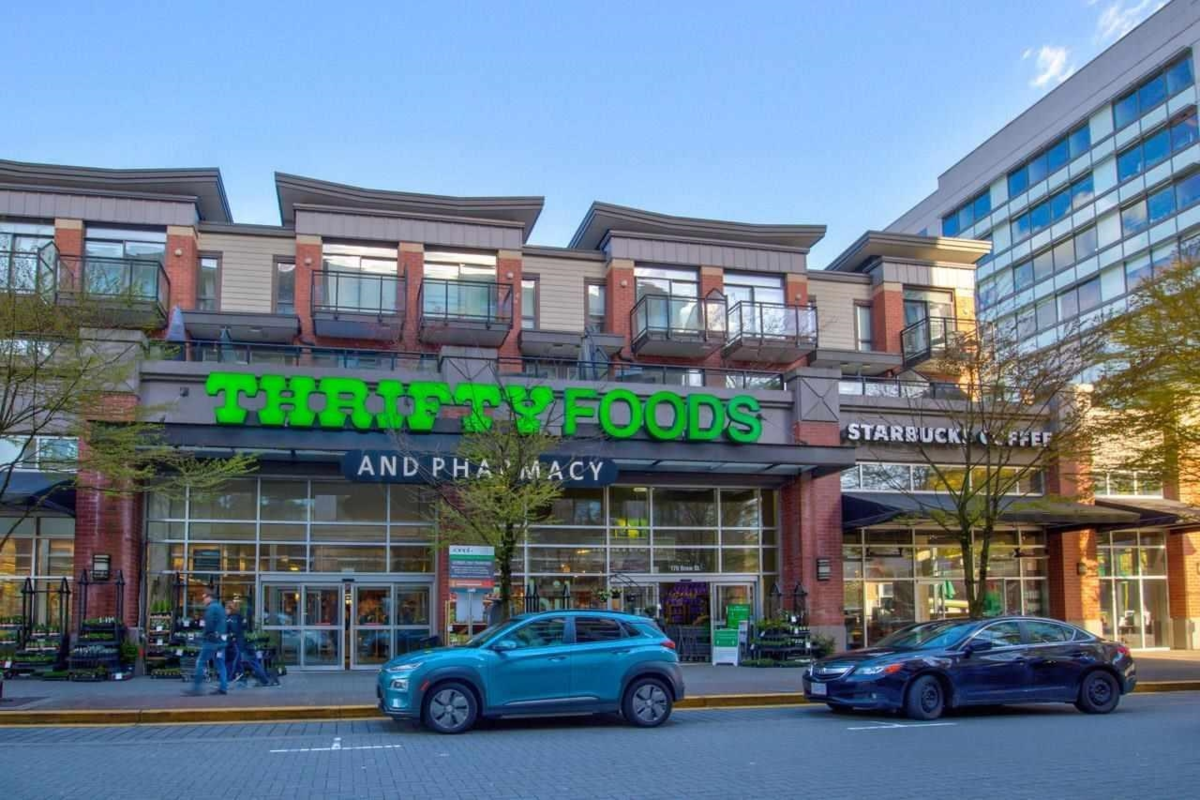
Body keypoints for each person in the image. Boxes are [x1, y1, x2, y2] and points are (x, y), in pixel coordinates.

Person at [225, 599, 278, 688]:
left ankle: (264, 680)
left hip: (242, 644)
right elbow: (245, 628)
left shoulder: (232, 619)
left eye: (226, 609)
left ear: (230, 609)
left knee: (251, 662)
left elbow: (235, 632)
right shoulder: (240, 617)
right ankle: (243, 680)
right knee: (242, 662)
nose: (225, 611)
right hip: (246, 643)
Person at [184, 590, 228, 696]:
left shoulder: (211, 608)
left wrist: (205, 635)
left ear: (210, 597)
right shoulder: (220, 607)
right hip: (221, 641)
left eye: (204, 597)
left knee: (201, 662)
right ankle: (223, 688)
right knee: (221, 664)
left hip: (211, 641)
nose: (203, 600)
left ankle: (196, 688)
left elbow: (209, 625)